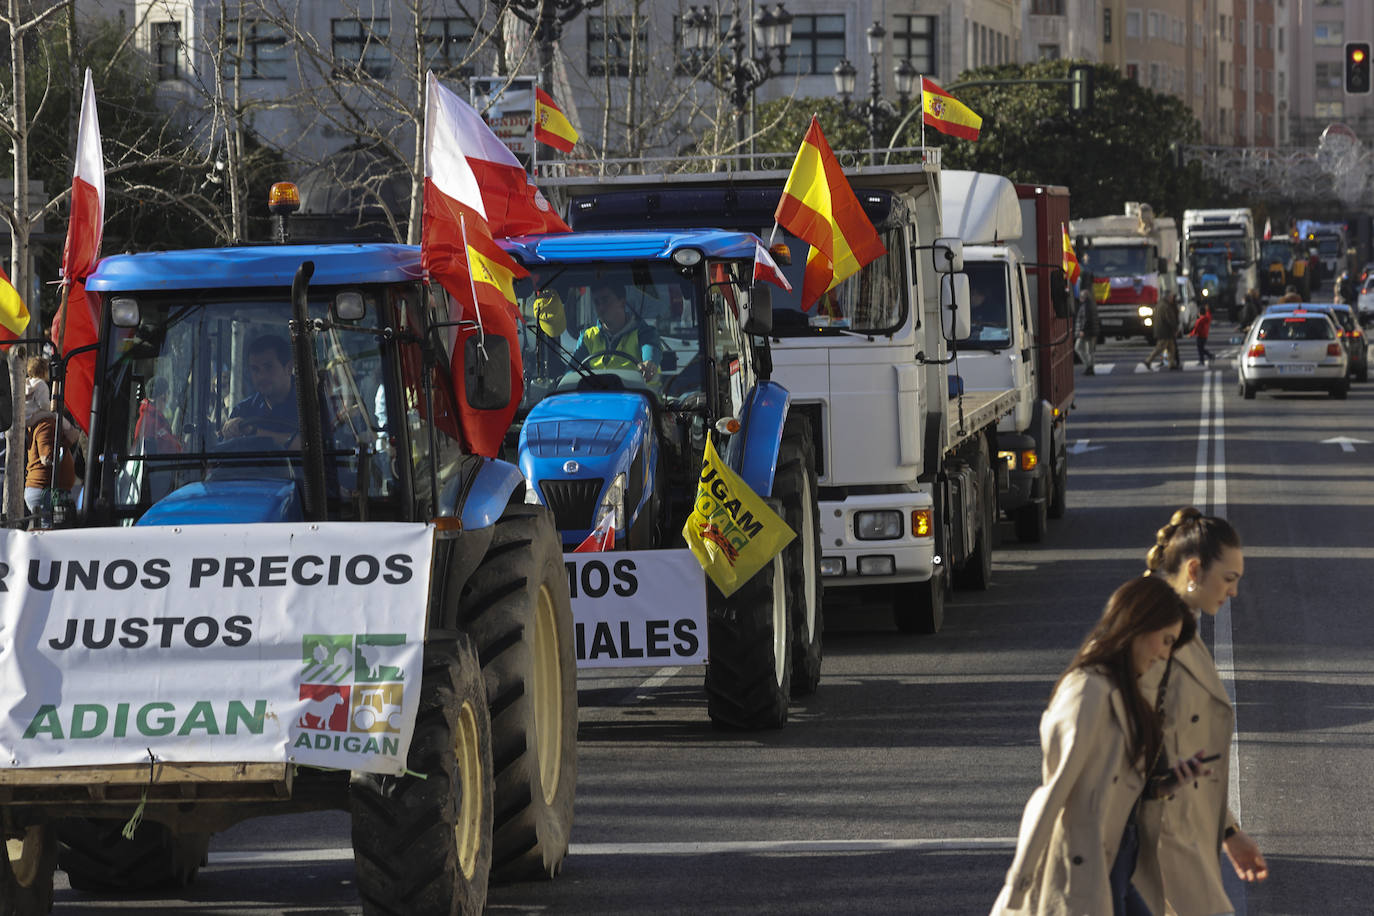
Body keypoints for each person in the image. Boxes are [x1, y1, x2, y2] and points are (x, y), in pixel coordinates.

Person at [991, 576, 1209, 916]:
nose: (1165, 654)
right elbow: (1053, 793)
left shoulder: (1124, 689)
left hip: (1119, 860)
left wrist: (1168, 783)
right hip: (1087, 869)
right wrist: (1017, 888)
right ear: (1139, 623)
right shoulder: (1087, 691)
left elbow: (1116, 783)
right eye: (1165, 640)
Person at [1143, 508, 1269, 915]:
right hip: (1150, 838)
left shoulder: (1180, 634)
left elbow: (1186, 750)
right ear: (1194, 569)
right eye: (1229, 579)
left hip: (1174, 833)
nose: (1233, 592)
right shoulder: (1152, 642)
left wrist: (1229, 832)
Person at [571, 281, 662, 382]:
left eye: (605, 300)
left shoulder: (645, 333)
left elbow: (651, 349)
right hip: (599, 397)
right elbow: (571, 372)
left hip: (641, 396)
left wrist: (649, 364)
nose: (601, 307)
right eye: (597, 302)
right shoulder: (587, 337)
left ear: (622, 302)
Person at [221, 335, 301, 446]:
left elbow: (311, 446)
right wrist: (229, 430)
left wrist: (253, 432)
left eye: (268, 367)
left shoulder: (310, 406)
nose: (261, 376)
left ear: (288, 368)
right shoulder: (243, 411)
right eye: (255, 369)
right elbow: (223, 455)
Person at [1144, 292, 1182, 371]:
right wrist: (1175, 328)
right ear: (1167, 297)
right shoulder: (1166, 306)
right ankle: (1148, 360)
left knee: (1171, 348)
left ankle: (1171, 364)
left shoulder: (1160, 304)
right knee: (1160, 347)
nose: (1172, 299)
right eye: (1171, 297)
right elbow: (1169, 319)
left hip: (1163, 330)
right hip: (1165, 331)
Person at [1075, 273, 1101, 376]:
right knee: (1089, 350)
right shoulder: (1091, 304)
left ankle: (1089, 366)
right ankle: (1090, 367)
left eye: (1081, 296)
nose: (1079, 298)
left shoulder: (1086, 306)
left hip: (1087, 332)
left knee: (1079, 348)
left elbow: (1086, 319)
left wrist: (1082, 330)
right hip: (1092, 331)